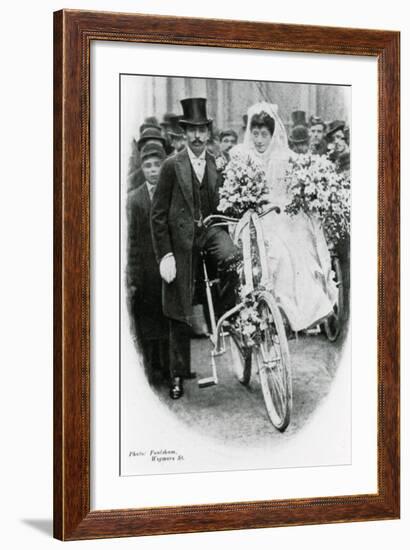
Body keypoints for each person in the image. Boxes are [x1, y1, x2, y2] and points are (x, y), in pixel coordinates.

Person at [151, 97, 240, 399]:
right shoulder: (170, 166)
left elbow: (227, 203)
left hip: (212, 231)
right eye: (193, 131)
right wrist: (165, 254)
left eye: (203, 130)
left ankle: (229, 314)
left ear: (208, 132)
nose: (199, 137)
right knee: (179, 308)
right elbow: (158, 215)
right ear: (184, 133)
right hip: (181, 243)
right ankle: (177, 375)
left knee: (234, 259)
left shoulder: (217, 163)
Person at [229, 102, 338, 332]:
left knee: (300, 246)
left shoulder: (284, 158)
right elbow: (235, 196)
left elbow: (291, 191)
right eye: (255, 133)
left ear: (272, 135)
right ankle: (276, 310)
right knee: (278, 252)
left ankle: (301, 313)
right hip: (253, 219)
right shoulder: (241, 157)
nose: (259, 139)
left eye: (264, 134)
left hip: (279, 216)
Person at [126, 142, 170, 386]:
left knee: (166, 322)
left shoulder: (171, 194)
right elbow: (130, 240)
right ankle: (150, 371)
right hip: (145, 271)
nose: (153, 170)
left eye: (157, 165)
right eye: (147, 166)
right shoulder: (134, 200)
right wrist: (132, 275)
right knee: (147, 325)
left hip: (166, 268)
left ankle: (167, 370)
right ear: (141, 168)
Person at [127, 127, 167, 192]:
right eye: (150, 146)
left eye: (158, 147)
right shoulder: (133, 181)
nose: (155, 150)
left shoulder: (172, 173)